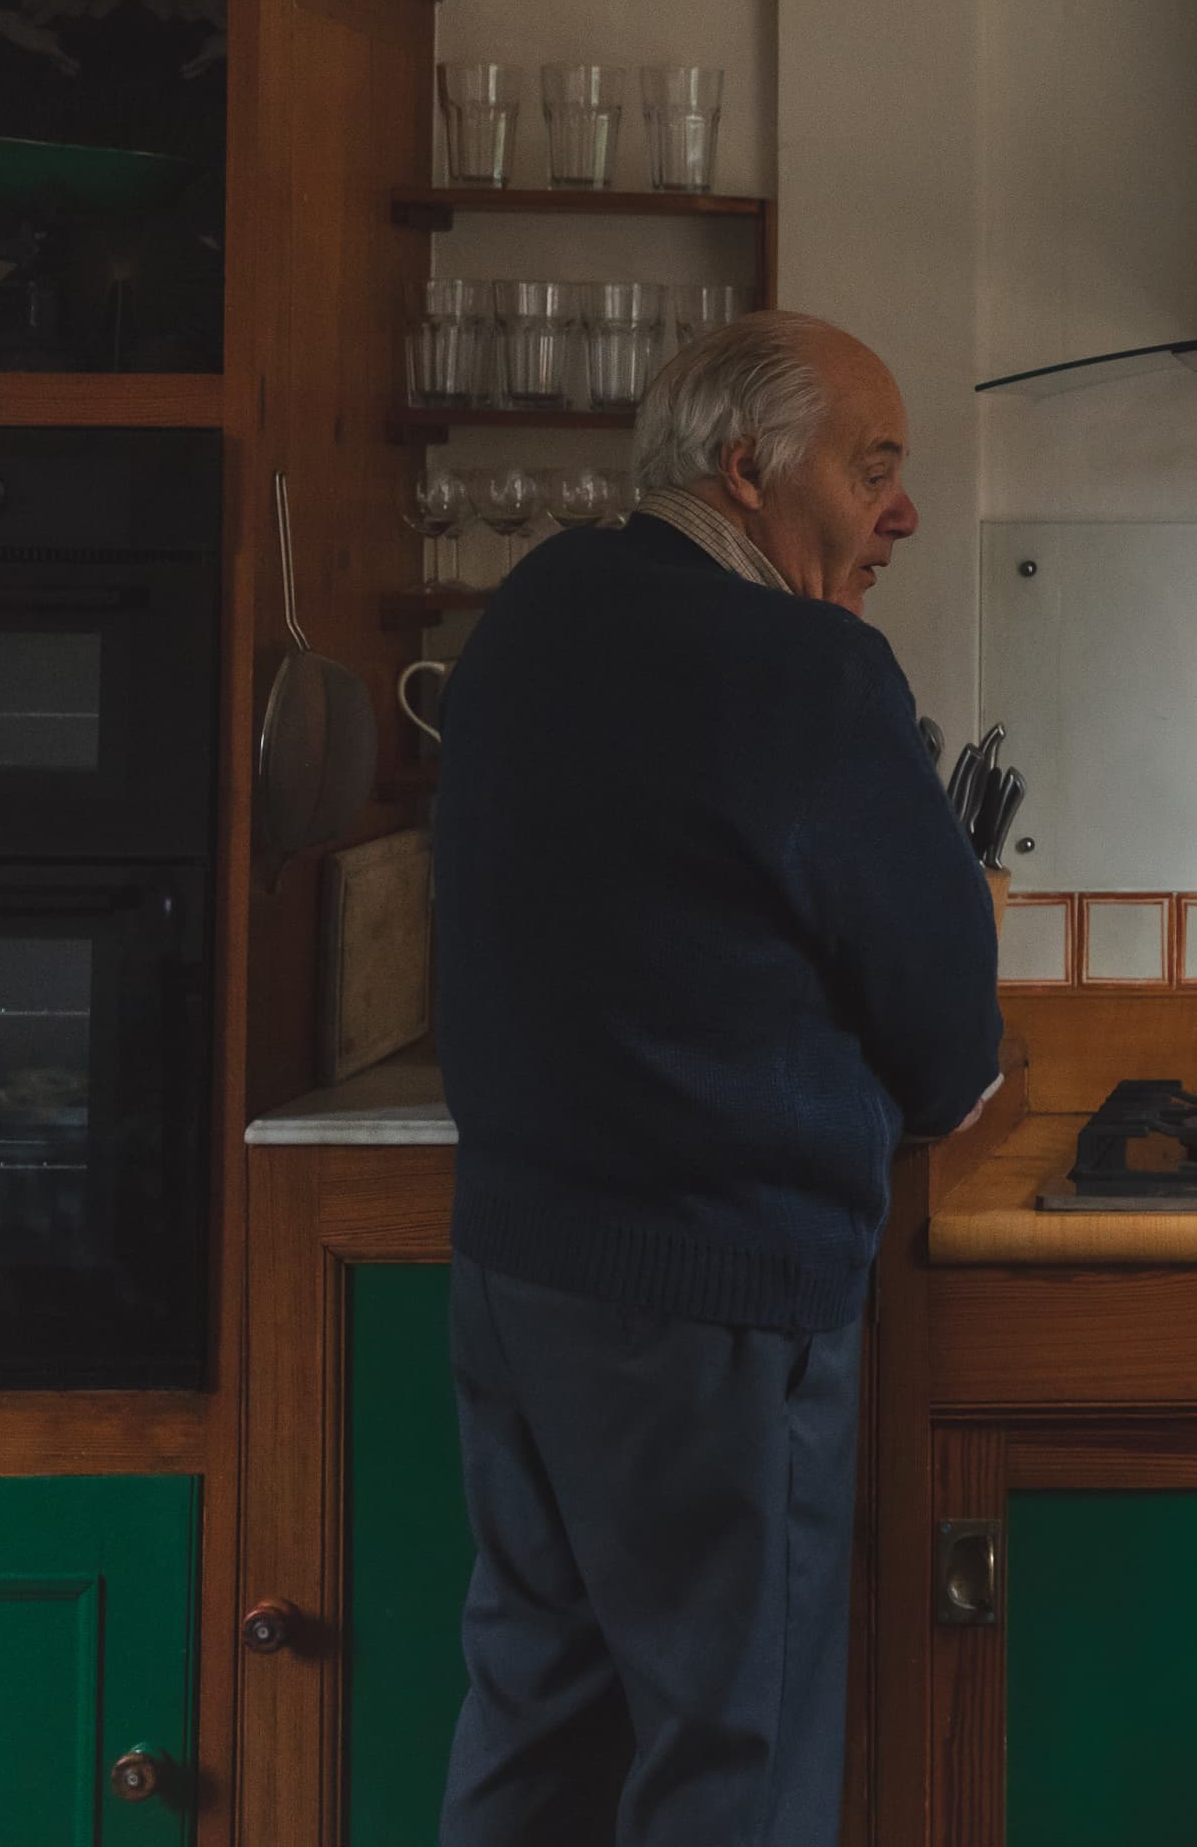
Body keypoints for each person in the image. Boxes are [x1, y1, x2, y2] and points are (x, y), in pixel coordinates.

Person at [430, 309, 1003, 1847]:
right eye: (873, 467)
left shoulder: (537, 605)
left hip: (517, 1267)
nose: (904, 512)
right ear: (749, 473)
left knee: (537, 1713)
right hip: (713, 1293)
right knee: (727, 1754)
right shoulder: (805, 669)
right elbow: (947, 1031)